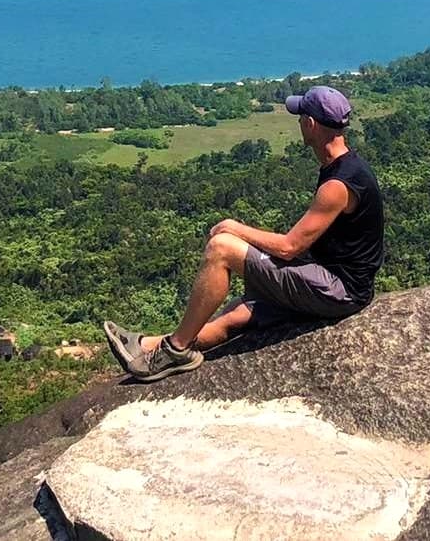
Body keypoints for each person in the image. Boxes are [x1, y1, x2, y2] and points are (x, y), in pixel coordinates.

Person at [103, 84, 385, 381]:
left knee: (222, 248)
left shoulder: (338, 184)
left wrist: (235, 229)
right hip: (337, 281)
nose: (299, 123)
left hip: (340, 289)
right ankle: (151, 346)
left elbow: (290, 247)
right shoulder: (346, 168)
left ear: (311, 124)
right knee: (239, 312)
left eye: (300, 117)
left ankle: (176, 350)